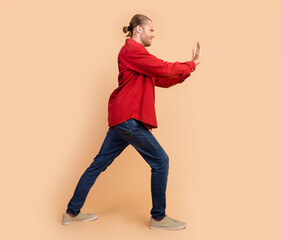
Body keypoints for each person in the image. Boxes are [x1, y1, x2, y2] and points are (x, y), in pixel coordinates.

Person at [62, 14, 201, 230]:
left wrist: (188, 71)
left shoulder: (138, 58)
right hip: (128, 119)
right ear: (139, 30)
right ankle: (158, 217)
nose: (154, 35)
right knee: (161, 161)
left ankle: (71, 212)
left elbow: (161, 79)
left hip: (121, 120)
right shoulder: (132, 50)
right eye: (151, 30)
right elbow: (163, 68)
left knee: (97, 165)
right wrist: (190, 64)